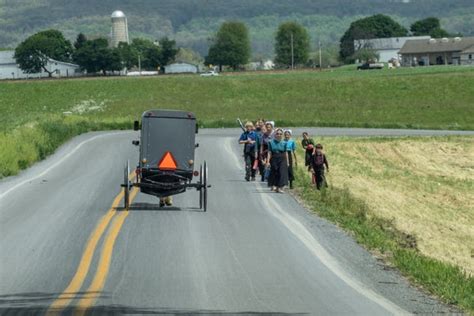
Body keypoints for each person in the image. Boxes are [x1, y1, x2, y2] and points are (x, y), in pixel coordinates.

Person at [267, 128, 289, 193]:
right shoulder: (271, 142)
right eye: (277, 134)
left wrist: (287, 162)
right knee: (275, 172)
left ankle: (280, 187)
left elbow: (286, 152)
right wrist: (268, 161)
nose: (279, 135)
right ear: (275, 134)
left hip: (282, 158)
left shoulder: (284, 143)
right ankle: (276, 186)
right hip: (274, 157)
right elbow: (269, 152)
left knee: (282, 172)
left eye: (280, 134)